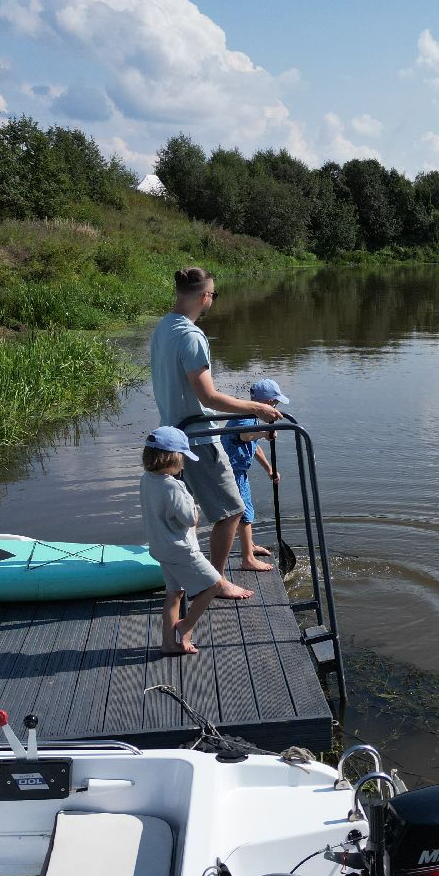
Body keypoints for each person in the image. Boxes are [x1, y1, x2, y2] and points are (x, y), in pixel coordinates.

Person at [150, 267, 281, 600]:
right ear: (205, 296)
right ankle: (216, 581)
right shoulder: (191, 336)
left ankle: (187, 575)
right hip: (196, 438)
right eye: (214, 294)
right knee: (232, 511)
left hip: (172, 432)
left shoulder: (163, 328)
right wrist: (255, 408)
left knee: (187, 514)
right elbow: (207, 396)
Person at [139, 426, 221, 655]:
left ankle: (167, 643)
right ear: (173, 458)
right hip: (181, 550)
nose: (184, 461)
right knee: (214, 584)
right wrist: (192, 502)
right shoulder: (173, 486)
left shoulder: (146, 480)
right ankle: (187, 624)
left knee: (174, 594)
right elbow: (189, 519)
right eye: (182, 456)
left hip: (160, 548)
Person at [223, 379, 289, 572]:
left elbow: (253, 446)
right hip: (233, 471)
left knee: (244, 508)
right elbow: (245, 435)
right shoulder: (246, 414)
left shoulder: (251, 416)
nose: (275, 407)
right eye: (275, 404)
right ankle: (247, 558)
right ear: (267, 403)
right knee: (244, 512)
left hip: (238, 470)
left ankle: (249, 546)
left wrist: (269, 469)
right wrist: (264, 433)